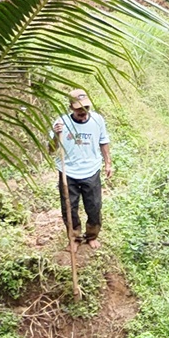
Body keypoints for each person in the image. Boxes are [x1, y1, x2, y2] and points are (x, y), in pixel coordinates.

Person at [49, 89, 112, 247]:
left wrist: (108, 163)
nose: (83, 112)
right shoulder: (61, 123)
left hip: (91, 170)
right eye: (79, 109)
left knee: (94, 206)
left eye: (86, 108)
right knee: (69, 208)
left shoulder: (97, 120)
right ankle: (74, 238)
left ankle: (91, 236)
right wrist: (56, 135)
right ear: (71, 107)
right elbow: (51, 149)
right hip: (68, 172)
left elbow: (103, 141)